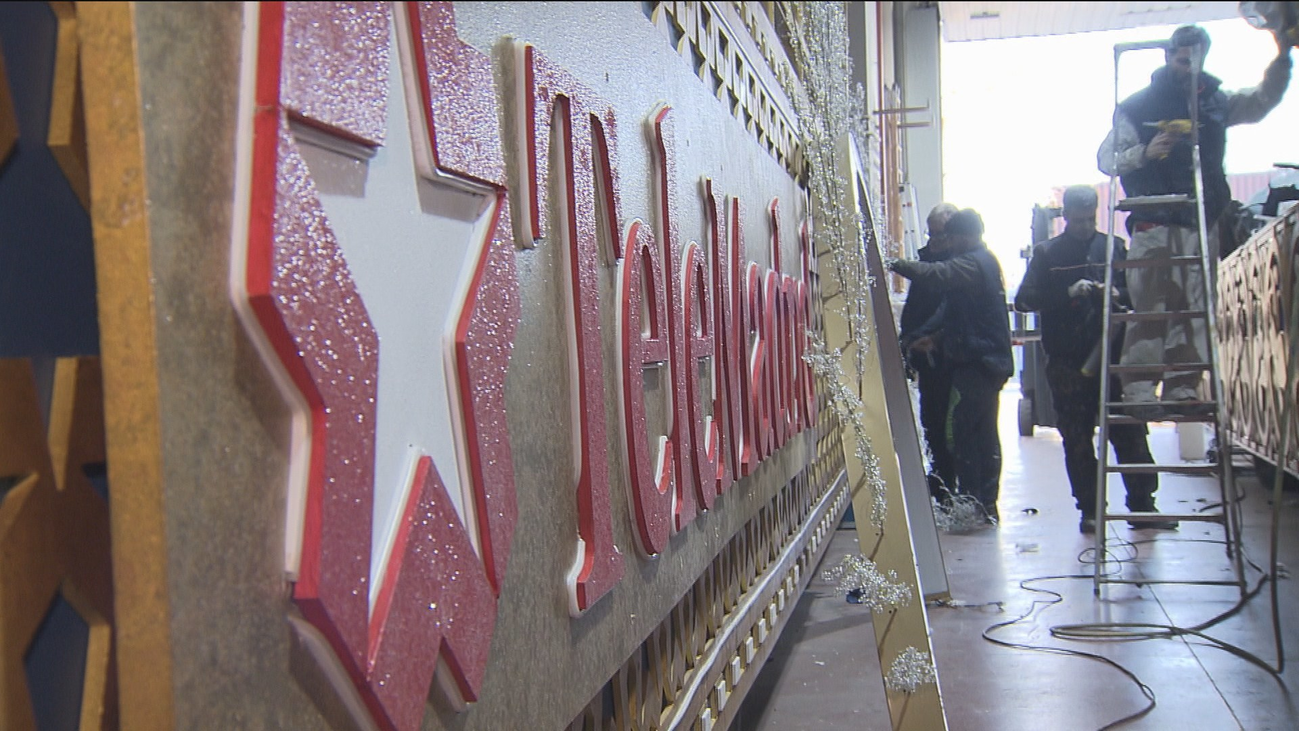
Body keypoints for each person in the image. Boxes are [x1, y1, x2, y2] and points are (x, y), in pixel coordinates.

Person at [1097, 24, 1293, 418]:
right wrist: (1145, 152)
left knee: (1196, 306)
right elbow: (1107, 160)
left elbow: (1260, 101)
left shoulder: (1215, 102)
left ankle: (1183, 385)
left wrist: (1283, 61)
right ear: (1169, 57)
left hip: (1201, 221)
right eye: (1183, 60)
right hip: (1154, 220)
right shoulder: (1137, 106)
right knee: (1151, 305)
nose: (1190, 68)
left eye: (1197, 60)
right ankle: (1138, 387)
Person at [1014, 186, 1167, 534]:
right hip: (1068, 363)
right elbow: (1025, 299)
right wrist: (1065, 293)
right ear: (1065, 215)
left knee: (1130, 432)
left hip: (1112, 358)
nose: (1084, 227)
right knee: (1078, 440)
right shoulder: (1048, 254)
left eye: (1089, 219)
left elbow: (1137, 291)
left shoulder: (1112, 248)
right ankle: (1091, 510)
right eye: (1077, 220)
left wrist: (1118, 294)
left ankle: (1143, 505)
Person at [888, 209, 1014, 523]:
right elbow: (952, 313)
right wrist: (926, 337)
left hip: (979, 362)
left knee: (963, 432)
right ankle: (983, 504)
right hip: (985, 361)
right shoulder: (982, 263)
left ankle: (972, 502)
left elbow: (937, 274)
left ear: (964, 236)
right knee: (981, 433)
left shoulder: (973, 263)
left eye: (949, 237)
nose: (945, 243)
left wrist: (893, 263)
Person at [898, 202, 959, 499]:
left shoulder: (960, 266)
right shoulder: (926, 263)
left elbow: (955, 314)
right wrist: (908, 342)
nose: (935, 242)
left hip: (955, 360)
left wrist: (933, 337)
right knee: (932, 424)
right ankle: (940, 484)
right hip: (928, 359)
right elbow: (914, 311)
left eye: (942, 235)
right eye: (932, 235)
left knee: (954, 428)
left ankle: (954, 484)